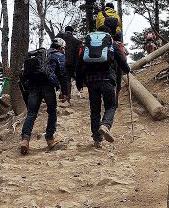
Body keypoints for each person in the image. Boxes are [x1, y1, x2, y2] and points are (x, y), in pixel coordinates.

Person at [76, 19, 130, 147]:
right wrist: (127, 69)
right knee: (111, 106)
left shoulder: (88, 45)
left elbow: (79, 65)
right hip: (107, 79)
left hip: (91, 81)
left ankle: (96, 139)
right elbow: (121, 60)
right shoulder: (111, 43)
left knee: (94, 110)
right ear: (108, 34)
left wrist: (79, 84)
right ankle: (105, 125)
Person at [20, 38, 67, 154]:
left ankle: (25, 140)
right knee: (52, 111)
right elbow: (62, 73)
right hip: (48, 86)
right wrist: (64, 92)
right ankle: (50, 139)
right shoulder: (58, 56)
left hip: (33, 86)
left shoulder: (38, 55)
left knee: (31, 113)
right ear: (60, 47)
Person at [57, 25, 82, 99]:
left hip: (57, 61)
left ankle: (61, 93)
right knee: (67, 79)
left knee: (59, 77)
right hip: (69, 63)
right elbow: (76, 56)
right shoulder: (76, 41)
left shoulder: (59, 36)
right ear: (72, 32)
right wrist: (75, 67)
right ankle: (67, 97)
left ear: (65, 30)